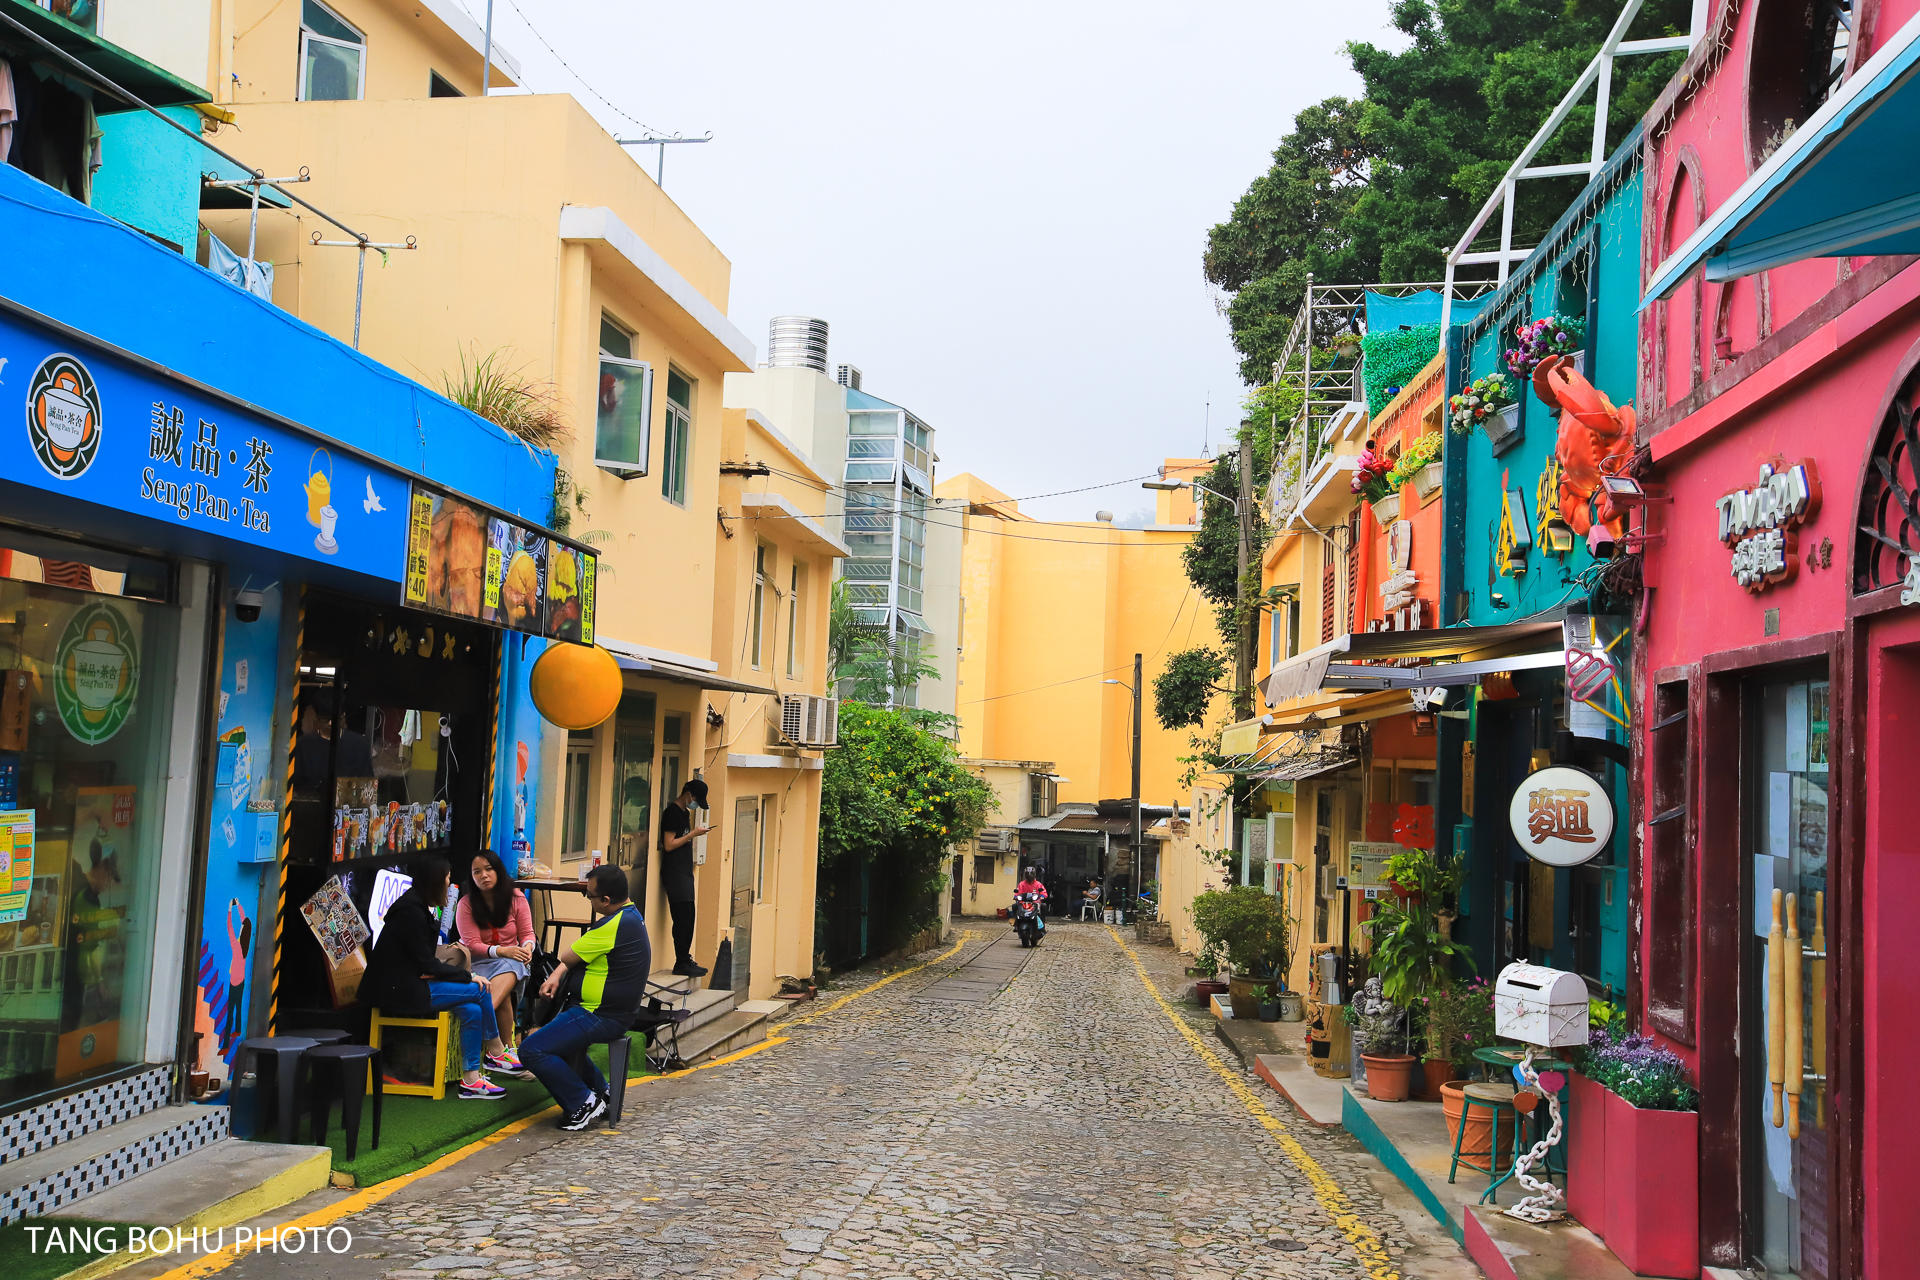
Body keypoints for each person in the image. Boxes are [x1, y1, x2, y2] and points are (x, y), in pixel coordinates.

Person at [360, 854, 508, 1099]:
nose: (450, 884)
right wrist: (467, 976)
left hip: (412, 982)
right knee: (481, 990)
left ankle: (471, 1080)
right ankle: (496, 1052)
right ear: (435, 880)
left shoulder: (419, 906)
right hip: (400, 990)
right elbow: (427, 963)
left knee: (472, 1010)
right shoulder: (411, 912)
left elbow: (425, 961)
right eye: (447, 878)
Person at [520, 864, 651, 1131]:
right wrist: (557, 975)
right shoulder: (631, 915)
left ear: (605, 900)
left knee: (531, 1049)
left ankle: (582, 1102)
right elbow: (571, 959)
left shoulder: (613, 925)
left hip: (599, 1014)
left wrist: (556, 975)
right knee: (560, 1045)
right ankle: (600, 1091)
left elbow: (569, 954)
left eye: (589, 895)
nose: (588, 899)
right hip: (608, 1012)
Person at [458, 851, 535, 1073]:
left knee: (514, 964)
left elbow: (528, 934)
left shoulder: (517, 898)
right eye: (477, 872)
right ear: (471, 877)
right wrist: (502, 951)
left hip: (511, 960)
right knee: (503, 1001)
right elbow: (471, 944)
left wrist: (527, 948)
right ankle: (506, 1051)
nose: (484, 875)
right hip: (478, 963)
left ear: (498, 871)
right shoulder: (466, 904)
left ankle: (498, 1047)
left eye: (488, 869)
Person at [658, 779, 711, 977]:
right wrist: (693, 835)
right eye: (695, 799)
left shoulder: (685, 813)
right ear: (687, 794)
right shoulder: (672, 813)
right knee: (681, 918)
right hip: (675, 872)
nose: (695, 803)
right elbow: (669, 844)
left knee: (689, 916)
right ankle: (681, 961)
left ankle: (685, 958)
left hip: (684, 871)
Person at [1014, 866, 1049, 935]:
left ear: (1034, 875)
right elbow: (1017, 892)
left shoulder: (1038, 884)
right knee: (1014, 906)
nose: (1029, 876)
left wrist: (1042, 896)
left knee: (1044, 906)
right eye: (1027, 874)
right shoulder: (1021, 884)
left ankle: (1042, 924)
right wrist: (1016, 896)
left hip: (1034, 903)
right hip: (1023, 903)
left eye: (1031, 874)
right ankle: (1016, 924)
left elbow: (1044, 892)